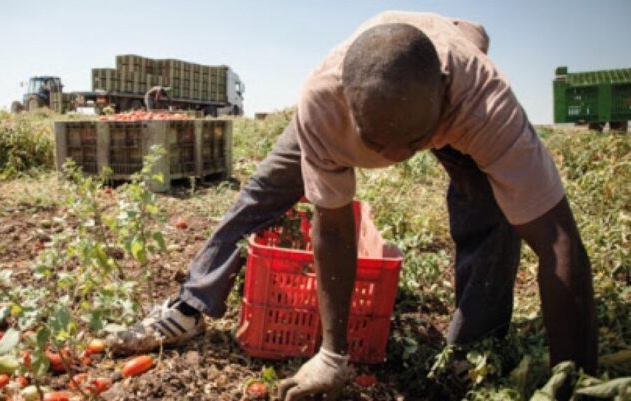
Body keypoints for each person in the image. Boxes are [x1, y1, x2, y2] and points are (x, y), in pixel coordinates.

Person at [107, 11, 597, 401]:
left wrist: (574, 379)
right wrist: (332, 355)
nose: (394, 159)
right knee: (265, 189)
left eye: (411, 143)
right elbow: (335, 227)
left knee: (489, 217)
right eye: (375, 143)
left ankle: (472, 350)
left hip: (452, 93)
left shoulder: (484, 104)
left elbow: (558, 244)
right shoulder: (323, 100)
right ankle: (193, 302)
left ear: (444, 101)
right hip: (373, 92)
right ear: (348, 105)